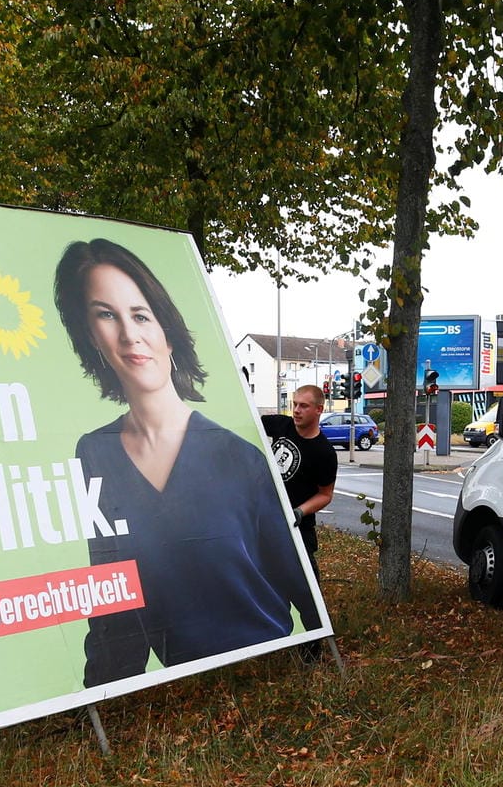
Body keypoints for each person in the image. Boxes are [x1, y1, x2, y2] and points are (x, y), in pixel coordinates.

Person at [55, 238, 321, 687]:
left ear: (166, 329)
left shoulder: (240, 457)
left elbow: (293, 572)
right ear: (89, 336)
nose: (129, 334)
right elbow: (113, 589)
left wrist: (320, 659)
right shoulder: (94, 453)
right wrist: (103, 696)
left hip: (263, 675)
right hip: (178, 691)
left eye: (141, 315)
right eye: (105, 315)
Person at [261, 384, 336, 576]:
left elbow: (325, 495)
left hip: (297, 530)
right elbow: (248, 420)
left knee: (305, 589)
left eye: (303, 406)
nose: (296, 410)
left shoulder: (324, 452)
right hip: (265, 523)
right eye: (295, 404)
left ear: (319, 409)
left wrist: (299, 512)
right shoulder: (281, 425)